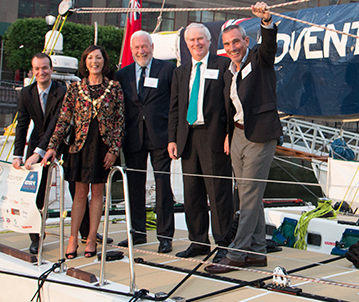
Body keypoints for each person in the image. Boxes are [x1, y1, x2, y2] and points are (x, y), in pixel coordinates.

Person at [206, 3, 283, 274]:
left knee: (248, 194)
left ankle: (237, 254)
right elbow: (230, 108)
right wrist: (229, 136)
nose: (232, 47)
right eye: (227, 44)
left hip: (260, 136)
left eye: (236, 42)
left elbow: (269, 46)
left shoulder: (259, 60)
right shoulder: (229, 70)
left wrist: (266, 21)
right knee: (249, 194)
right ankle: (258, 252)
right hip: (237, 135)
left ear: (246, 41)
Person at [44, 45, 124, 259]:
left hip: (103, 146)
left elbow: (119, 122)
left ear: (104, 61)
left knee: (98, 193)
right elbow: (63, 120)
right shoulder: (74, 89)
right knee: (80, 193)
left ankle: (91, 238)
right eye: (90, 58)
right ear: (85, 62)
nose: (94, 62)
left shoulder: (114, 88)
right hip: (79, 146)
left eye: (98, 58)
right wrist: (52, 146)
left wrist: (114, 149)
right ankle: (72, 238)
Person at [167, 23, 234, 259]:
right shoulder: (180, 72)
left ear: (209, 41)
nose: (196, 43)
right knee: (192, 193)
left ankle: (224, 244)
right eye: (192, 40)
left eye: (200, 39)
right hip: (188, 138)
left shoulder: (223, 65)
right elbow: (175, 108)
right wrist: (172, 139)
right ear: (187, 44)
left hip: (214, 136)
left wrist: (229, 134)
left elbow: (231, 104)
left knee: (218, 193)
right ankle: (198, 242)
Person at [115, 31, 176, 252]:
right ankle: (137, 233)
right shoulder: (122, 75)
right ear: (132, 50)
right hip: (133, 138)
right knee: (134, 188)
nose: (141, 51)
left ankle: (165, 236)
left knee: (163, 187)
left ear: (152, 46)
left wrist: (173, 136)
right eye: (137, 47)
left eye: (145, 46)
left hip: (161, 137)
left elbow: (174, 104)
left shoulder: (167, 70)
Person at [12, 53, 68, 255]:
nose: (41, 72)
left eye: (45, 68)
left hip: (61, 143)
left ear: (51, 69)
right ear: (32, 71)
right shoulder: (26, 93)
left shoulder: (61, 92)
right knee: (35, 193)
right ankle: (36, 236)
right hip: (36, 143)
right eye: (37, 68)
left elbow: (55, 124)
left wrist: (39, 152)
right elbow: (22, 124)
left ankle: (87, 232)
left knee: (76, 185)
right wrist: (18, 154)